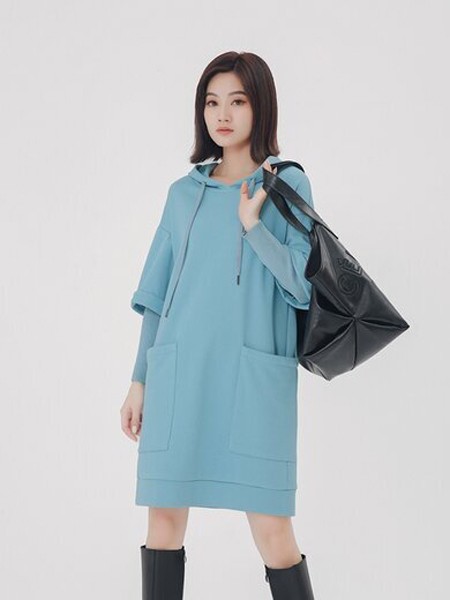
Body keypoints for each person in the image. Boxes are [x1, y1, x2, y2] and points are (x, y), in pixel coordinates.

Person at [120, 50, 317, 600]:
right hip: (179, 376)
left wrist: (253, 226)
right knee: (163, 524)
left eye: (237, 101)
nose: (222, 115)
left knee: (273, 531)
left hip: (253, 382)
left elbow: (301, 287)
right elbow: (156, 297)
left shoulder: (285, 184)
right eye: (212, 102)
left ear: (261, 107)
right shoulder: (182, 194)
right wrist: (139, 380)